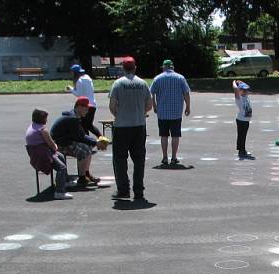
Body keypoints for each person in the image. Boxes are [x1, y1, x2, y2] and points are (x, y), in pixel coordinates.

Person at [108, 56, 152, 200]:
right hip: (139, 125)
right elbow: (149, 105)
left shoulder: (118, 83)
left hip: (122, 126)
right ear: (135, 67)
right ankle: (139, 191)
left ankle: (123, 190)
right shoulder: (143, 83)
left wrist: (118, 115)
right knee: (139, 160)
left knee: (120, 159)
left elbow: (112, 106)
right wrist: (141, 113)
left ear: (123, 68)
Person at [50, 96, 100, 187]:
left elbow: (82, 135)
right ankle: (82, 178)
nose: (88, 111)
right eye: (86, 108)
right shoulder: (72, 118)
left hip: (65, 141)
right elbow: (79, 137)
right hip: (58, 145)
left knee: (88, 146)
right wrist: (96, 142)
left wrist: (95, 141)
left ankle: (86, 174)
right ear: (79, 107)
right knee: (84, 149)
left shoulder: (75, 116)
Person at [149, 59, 191, 166]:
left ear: (164, 67)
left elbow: (152, 93)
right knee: (175, 136)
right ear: (172, 67)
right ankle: (173, 157)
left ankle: (164, 157)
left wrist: (154, 105)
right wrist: (188, 107)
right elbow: (186, 93)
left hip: (162, 112)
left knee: (164, 136)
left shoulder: (158, 78)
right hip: (176, 112)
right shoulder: (180, 78)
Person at [25, 109, 72, 199]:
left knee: (61, 156)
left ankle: (64, 181)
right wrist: (55, 147)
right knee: (62, 167)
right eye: (46, 118)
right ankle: (59, 192)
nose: (47, 120)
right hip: (43, 156)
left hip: (35, 155)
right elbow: (52, 145)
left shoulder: (32, 127)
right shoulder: (42, 130)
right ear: (42, 119)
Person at [66, 64, 100, 136]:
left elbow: (79, 95)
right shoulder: (88, 78)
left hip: (85, 106)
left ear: (75, 73)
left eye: (72, 72)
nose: (71, 74)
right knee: (87, 125)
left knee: (84, 125)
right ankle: (99, 138)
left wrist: (70, 89)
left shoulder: (79, 81)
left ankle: (91, 141)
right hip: (93, 104)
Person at [233, 80, 253, 159]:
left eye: (246, 90)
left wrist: (241, 83)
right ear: (240, 91)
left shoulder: (246, 96)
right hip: (241, 120)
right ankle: (241, 151)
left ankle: (243, 150)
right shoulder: (239, 98)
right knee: (241, 136)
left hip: (246, 120)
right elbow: (235, 89)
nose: (246, 91)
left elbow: (246, 86)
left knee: (244, 136)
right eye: (244, 90)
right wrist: (234, 82)